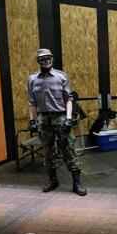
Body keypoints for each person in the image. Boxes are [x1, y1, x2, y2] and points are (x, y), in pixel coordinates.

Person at [27, 48, 87, 196]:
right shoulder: (32, 79)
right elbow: (32, 102)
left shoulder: (61, 77)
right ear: (38, 61)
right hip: (44, 119)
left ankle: (76, 183)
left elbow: (69, 99)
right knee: (47, 151)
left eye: (47, 57)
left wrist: (68, 119)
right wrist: (32, 120)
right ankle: (53, 180)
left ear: (52, 58)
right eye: (42, 58)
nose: (45, 60)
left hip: (60, 117)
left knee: (69, 149)